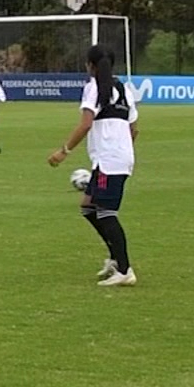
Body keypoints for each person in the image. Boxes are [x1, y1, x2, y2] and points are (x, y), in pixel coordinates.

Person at [48, 45, 138, 286]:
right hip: (116, 157)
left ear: (91, 65)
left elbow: (86, 123)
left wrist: (63, 151)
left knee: (107, 213)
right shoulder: (124, 89)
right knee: (88, 206)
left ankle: (125, 269)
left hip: (110, 160)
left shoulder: (94, 87)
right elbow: (134, 128)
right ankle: (115, 259)